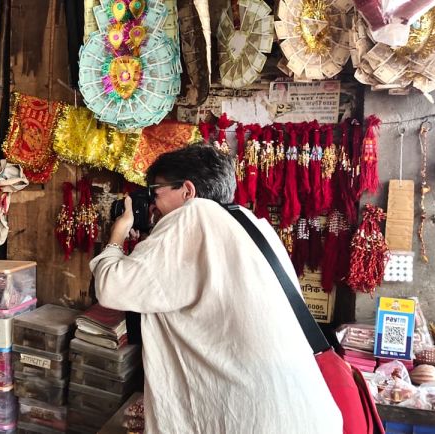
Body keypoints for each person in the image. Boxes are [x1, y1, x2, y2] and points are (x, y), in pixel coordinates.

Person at [90, 145, 342, 433]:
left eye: (155, 192)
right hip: (297, 410)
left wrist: (118, 234)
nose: (152, 204)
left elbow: (112, 287)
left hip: (252, 419)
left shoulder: (192, 217)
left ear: (187, 191)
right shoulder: (248, 221)